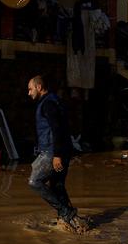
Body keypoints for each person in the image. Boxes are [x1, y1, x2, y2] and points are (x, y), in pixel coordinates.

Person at [26, 75, 88, 232]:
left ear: (39, 87)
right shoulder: (54, 100)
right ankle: (72, 220)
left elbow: (57, 129)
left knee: (34, 182)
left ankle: (65, 212)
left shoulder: (48, 104)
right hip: (63, 150)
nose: (29, 93)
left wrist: (57, 155)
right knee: (57, 185)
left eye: (30, 89)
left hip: (53, 151)